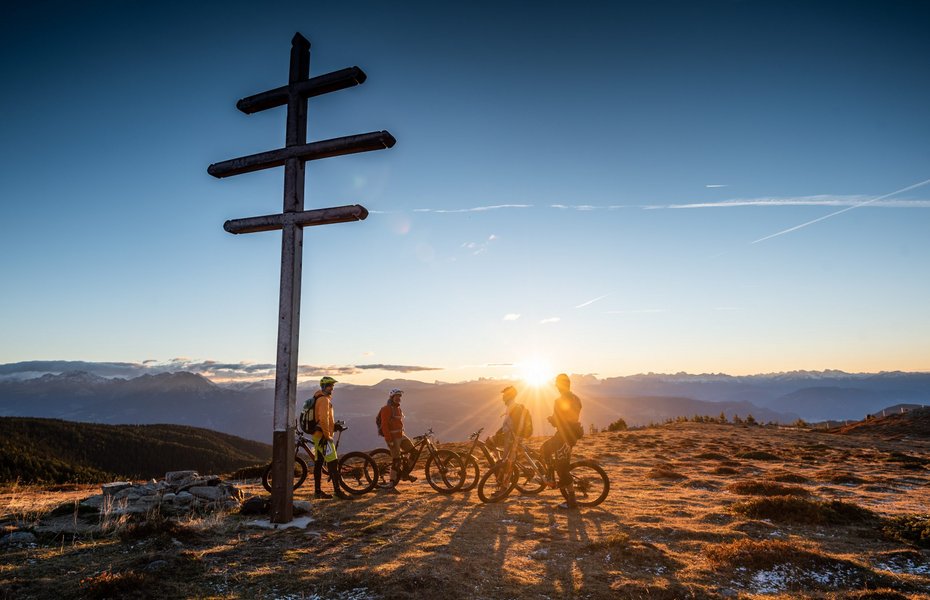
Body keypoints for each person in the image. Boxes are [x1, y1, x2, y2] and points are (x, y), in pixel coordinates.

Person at [541, 373, 583, 509]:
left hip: (565, 436)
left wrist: (551, 420)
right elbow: (572, 416)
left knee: (562, 469)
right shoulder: (577, 398)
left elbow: (558, 420)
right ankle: (551, 476)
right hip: (570, 435)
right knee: (545, 449)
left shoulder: (559, 401)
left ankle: (572, 500)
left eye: (557, 385)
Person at [310, 376, 347, 499]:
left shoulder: (318, 398)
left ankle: (318, 492)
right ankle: (338, 492)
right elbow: (323, 419)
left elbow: (324, 420)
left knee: (319, 463)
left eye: (333, 386)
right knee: (333, 462)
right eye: (330, 386)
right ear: (324, 387)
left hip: (317, 435)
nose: (332, 388)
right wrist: (328, 436)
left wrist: (334, 426)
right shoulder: (324, 400)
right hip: (323, 437)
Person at [379, 388, 417, 492]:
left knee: (414, 452)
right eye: (396, 396)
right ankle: (391, 484)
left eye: (400, 396)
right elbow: (384, 425)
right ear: (392, 397)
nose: (398, 398)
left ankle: (405, 474)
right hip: (392, 437)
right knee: (396, 460)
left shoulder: (399, 408)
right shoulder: (386, 409)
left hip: (401, 436)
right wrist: (389, 439)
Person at [490, 385, 531, 461]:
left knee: (489, 442)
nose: (503, 397)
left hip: (510, 437)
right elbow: (509, 423)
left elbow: (514, 425)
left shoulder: (513, 407)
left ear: (509, 396)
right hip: (510, 435)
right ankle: (500, 462)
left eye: (504, 395)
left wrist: (513, 436)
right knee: (508, 458)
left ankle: (499, 463)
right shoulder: (511, 406)